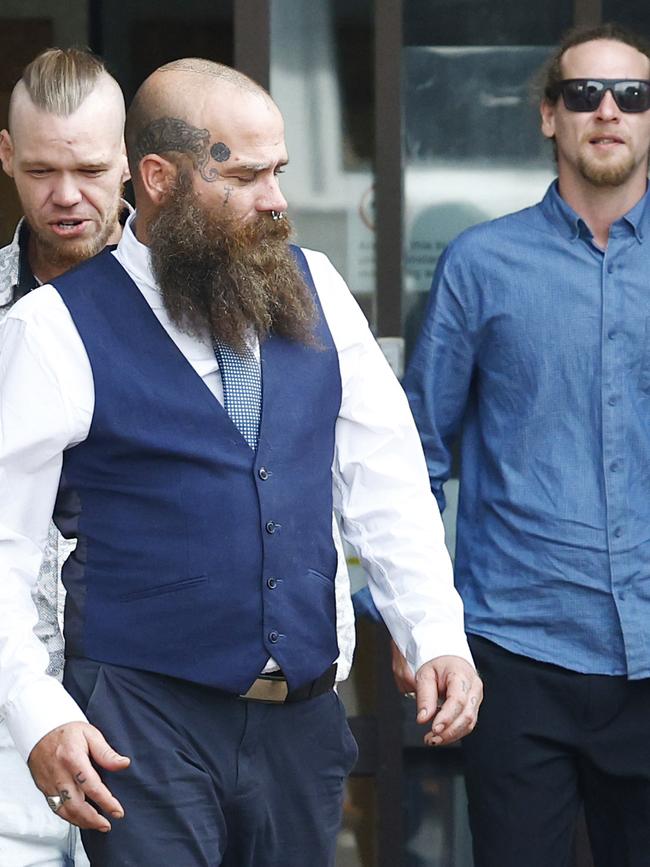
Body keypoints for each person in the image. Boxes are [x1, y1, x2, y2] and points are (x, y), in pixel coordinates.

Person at [0, 58, 483, 867]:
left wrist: (434, 631)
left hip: (302, 723)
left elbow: (385, 477)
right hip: (140, 724)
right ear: (158, 178)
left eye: (280, 171)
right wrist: (36, 709)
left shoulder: (317, 285)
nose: (277, 200)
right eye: (247, 175)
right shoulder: (51, 329)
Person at [402, 21, 650, 867]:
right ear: (550, 115)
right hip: (518, 651)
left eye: (632, 95)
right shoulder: (480, 265)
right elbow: (416, 456)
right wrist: (409, 619)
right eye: (584, 94)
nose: (608, 110)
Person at [0, 47, 130, 867]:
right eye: (42, 168)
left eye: (88, 167)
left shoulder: (188, 313)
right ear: (7, 156)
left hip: (150, 711)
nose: (68, 195)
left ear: (131, 161)